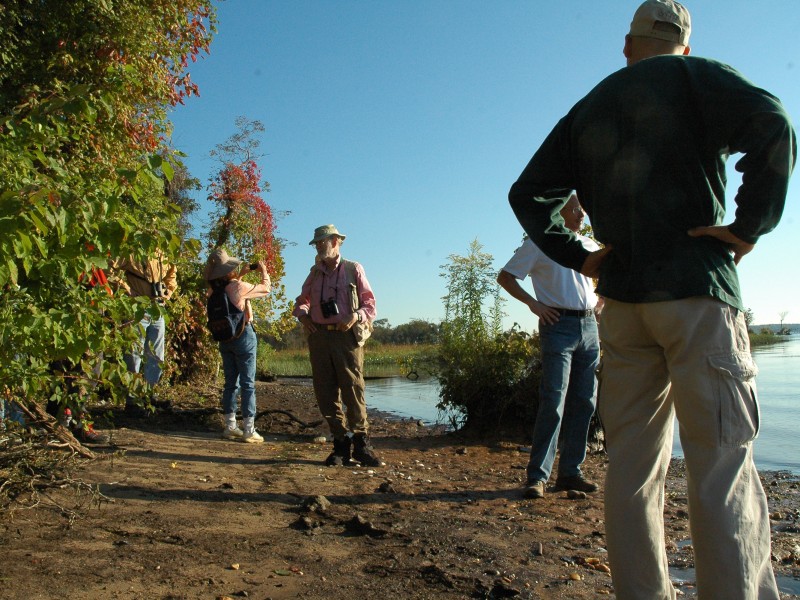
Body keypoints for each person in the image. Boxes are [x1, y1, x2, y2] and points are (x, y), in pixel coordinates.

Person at [508, 1, 796, 598]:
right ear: (684, 45)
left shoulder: (591, 104)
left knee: (632, 469)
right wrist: (749, 227)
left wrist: (582, 257)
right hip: (697, 296)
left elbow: (528, 194)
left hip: (624, 306)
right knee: (720, 465)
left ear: (627, 45)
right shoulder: (699, 78)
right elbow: (774, 123)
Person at [497, 193, 601, 500]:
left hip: (590, 328)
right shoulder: (540, 243)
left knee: (585, 402)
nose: (582, 215)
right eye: (576, 209)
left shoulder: (590, 246)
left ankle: (571, 473)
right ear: (561, 211)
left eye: (583, 210)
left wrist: (602, 301)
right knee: (554, 400)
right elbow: (505, 277)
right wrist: (533, 304)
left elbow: (607, 276)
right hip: (558, 326)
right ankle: (537, 477)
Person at [293, 224, 381, 467]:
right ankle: (340, 444)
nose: (320, 246)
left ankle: (362, 444)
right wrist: (303, 316)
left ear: (336, 241)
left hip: (347, 337)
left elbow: (370, 304)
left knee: (353, 388)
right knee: (325, 391)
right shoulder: (314, 272)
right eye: (317, 243)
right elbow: (302, 301)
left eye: (323, 242)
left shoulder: (354, 268)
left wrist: (356, 316)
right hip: (319, 337)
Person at [204, 248, 271, 443]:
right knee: (248, 383)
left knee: (230, 383)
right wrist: (264, 271)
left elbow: (229, 288)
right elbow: (266, 288)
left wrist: (241, 275)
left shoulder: (212, 290)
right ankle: (249, 429)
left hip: (225, 339)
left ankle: (230, 426)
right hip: (244, 337)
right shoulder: (238, 287)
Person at [112, 251, 177, 414]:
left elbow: (172, 274)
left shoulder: (162, 252)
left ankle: (149, 397)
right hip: (136, 307)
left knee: (156, 354)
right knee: (133, 352)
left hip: (158, 308)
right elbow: (108, 268)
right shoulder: (132, 250)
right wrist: (127, 289)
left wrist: (167, 291)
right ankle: (132, 401)